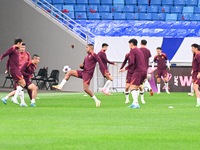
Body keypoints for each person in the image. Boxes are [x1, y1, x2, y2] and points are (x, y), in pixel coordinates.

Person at [119, 38, 147, 108]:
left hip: (138, 71)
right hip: (144, 70)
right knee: (137, 87)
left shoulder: (133, 51)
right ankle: (134, 102)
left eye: (129, 44)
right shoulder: (139, 51)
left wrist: (124, 69)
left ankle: (136, 103)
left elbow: (132, 62)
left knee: (131, 86)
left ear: (131, 44)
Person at [0, 38, 26, 106]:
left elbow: (9, 59)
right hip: (14, 70)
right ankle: (14, 98)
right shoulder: (12, 48)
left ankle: (22, 102)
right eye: (21, 44)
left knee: (20, 87)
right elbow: (5, 54)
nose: (21, 45)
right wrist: (0, 58)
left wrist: (7, 69)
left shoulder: (16, 50)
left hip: (15, 69)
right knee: (23, 83)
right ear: (18, 43)